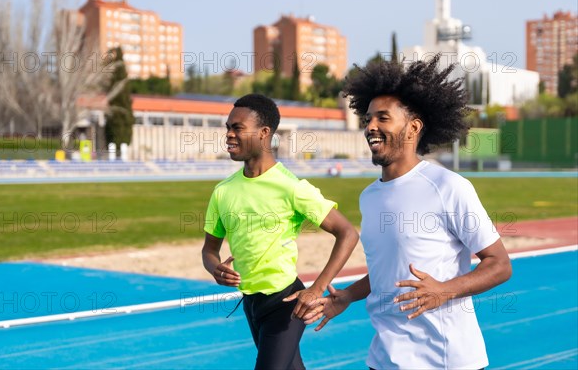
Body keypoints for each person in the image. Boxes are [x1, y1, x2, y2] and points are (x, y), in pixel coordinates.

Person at [309, 55, 512, 369]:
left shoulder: (448, 186)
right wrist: (348, 295)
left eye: (383, 118)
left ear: (413, 127)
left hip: (445, 359)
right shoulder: (369, 197)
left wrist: (444, 290)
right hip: (384, 358)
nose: (370, 127)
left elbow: (499, 264)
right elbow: (388, 270)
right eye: (368, 119)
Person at [201, 93, 359, 370]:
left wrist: (318, 288)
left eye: (237, 128)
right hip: (251, 305)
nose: (228, 134)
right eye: (227, 127)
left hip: (286, 303)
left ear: (264, 133)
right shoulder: (222, 191)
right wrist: (215, 269)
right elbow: (209, 250)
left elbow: (347, 233)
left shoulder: (291, 187)